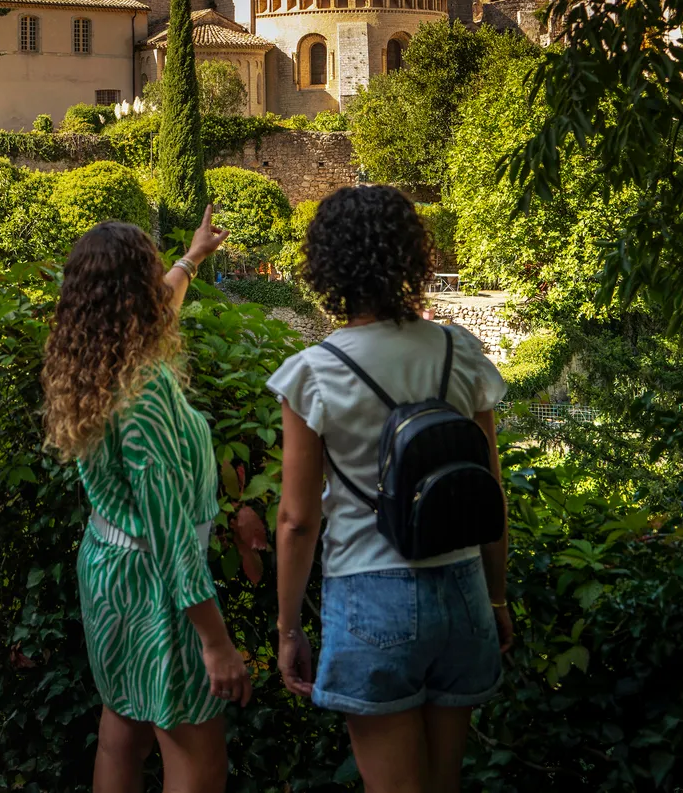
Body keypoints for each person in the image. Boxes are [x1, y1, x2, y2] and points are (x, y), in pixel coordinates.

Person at [268, 187, 511, 793]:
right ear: (413, 257)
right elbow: (492, 495)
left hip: (368, 592)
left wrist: (288, 627)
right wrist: (499, 600)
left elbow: (298, 520)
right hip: (462, 588)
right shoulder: (460, 351)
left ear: (327, 265)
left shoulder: (314, 371)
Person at [41, 207, 249, 793]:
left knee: (121, 732)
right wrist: (215, 640)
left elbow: (164, 300)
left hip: (109, 571)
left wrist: (192, 258)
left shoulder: (90, 363)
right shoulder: (146, 389)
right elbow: (170, 531)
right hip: (159, 586)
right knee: (196, 756)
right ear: (137, 292)